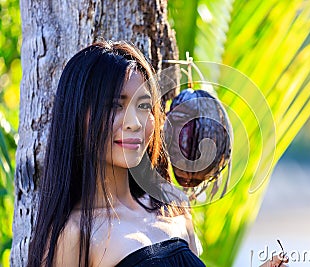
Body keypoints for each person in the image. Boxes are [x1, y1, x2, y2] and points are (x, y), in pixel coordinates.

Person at [27, 41, 204, 267]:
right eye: (114, 106)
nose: (134, 123)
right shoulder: (75, 235)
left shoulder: (172, 204)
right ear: (78, 116)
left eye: (143, 106)